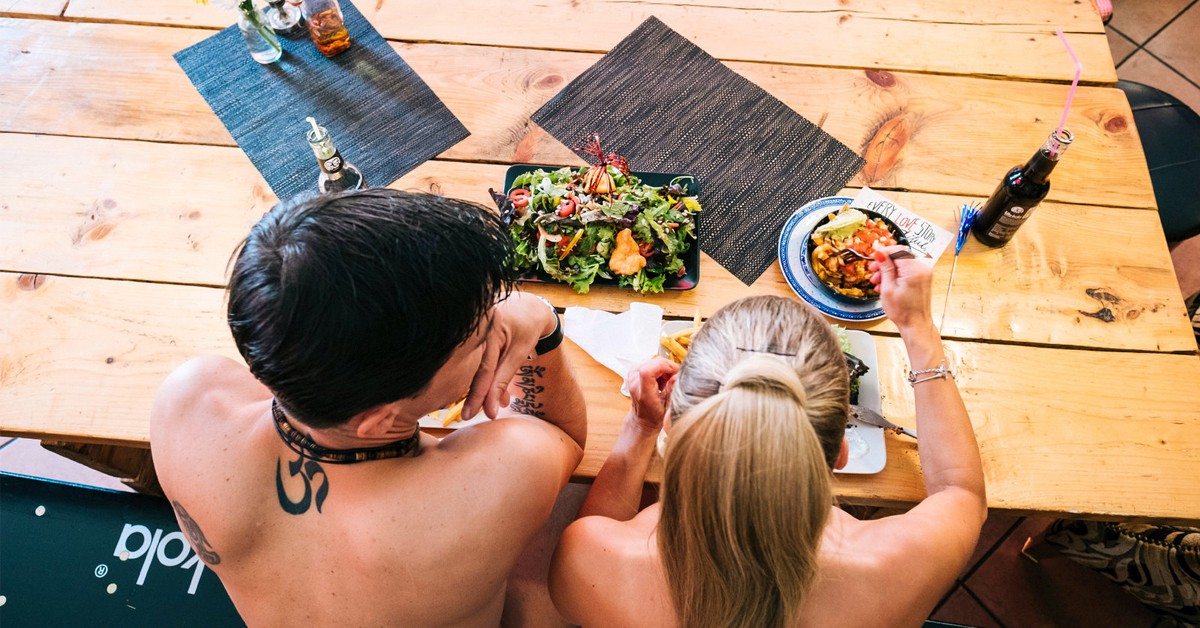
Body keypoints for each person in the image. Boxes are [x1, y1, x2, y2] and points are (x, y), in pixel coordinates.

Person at [151, 189, 586, 626]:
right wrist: (538, 319)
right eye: (483, 336)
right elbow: (558, 431)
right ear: (379, 419)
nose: (497, 319)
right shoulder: (498, 479)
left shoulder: (188, 399)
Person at [549, 248, 987, 627]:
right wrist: (918, 329)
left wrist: (637, 428)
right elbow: (960, 491)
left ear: (671, 429)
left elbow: (599, 533)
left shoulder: (591, 561)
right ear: (839, 453)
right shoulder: (899, 567)